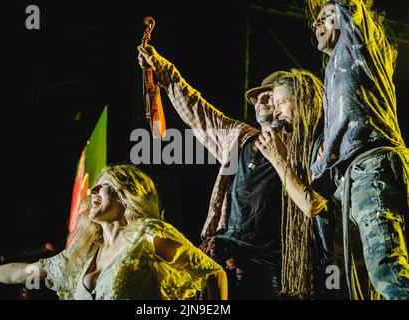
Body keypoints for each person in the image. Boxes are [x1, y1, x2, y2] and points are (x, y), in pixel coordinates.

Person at [138, 46, 325, 299]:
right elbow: (197, 110)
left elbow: (314, 203)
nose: (261, 101)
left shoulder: (306, 148)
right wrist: (161, 68)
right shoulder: (239, 137)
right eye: (258, 98)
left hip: (273, 266)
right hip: (229, 252)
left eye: (271, 96)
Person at [0, 165, 227, 300]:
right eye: (93, 188)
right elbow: (24, 272)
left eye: (102, 187)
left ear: (126, 195)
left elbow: (214, 273)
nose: (92, 192)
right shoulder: (83, 254)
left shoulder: (148, 233)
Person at [307, 0, 409, 299]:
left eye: (327, 16)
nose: (316, 23)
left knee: (387, 273)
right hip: (355, 176)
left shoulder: (353, 46)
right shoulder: (333, 71)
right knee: (369, 284)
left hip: (371, 165)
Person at [253, 69, 332, 298]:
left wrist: (278, 160)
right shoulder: (302, 145)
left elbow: (311, 205)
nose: (276, 112)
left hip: (342, 258)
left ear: (303, 101)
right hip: (323, 257)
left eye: (281, 103)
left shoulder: (326, 141)